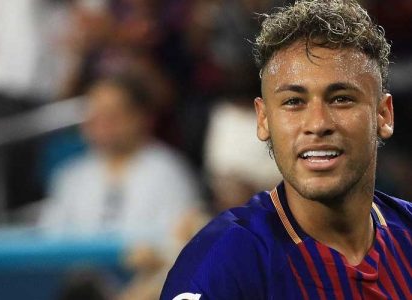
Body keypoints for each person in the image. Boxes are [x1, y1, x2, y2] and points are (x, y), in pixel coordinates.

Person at [160, 0, 412, 299]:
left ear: (383, 115)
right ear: (264, 119)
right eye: (294, 102)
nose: (317, 124)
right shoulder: (223, 264)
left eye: (341, 98)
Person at [39, 73, 201, 245]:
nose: (101, 124)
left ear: (141, 117)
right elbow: (50, 240)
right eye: (95, 114)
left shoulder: (169, 173)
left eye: (112, 115)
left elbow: (180, 243)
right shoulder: (71, 176)